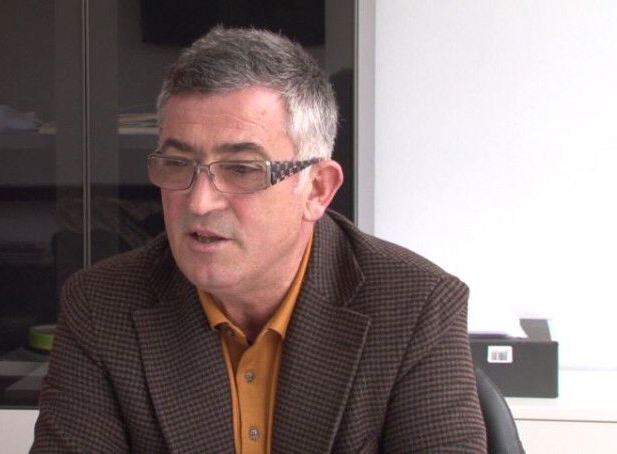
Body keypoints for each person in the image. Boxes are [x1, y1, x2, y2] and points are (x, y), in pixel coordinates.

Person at [32, 26, 486, 453]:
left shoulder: (415, 305)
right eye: (177, 164)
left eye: (242, 169)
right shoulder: (101, 306)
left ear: (317, 189)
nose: (200, 202)